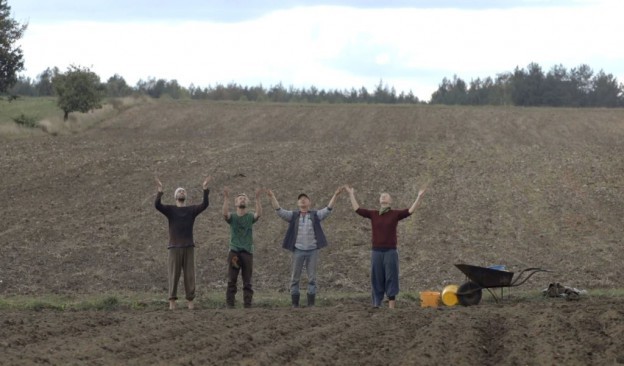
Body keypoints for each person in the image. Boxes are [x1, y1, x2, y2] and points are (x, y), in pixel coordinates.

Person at [346, 186, 426, 309]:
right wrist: (351, 194)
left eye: (386, 195)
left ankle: (391, 306)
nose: (383, 196)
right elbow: (357, 209)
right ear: (379, 200)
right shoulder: (374, 214)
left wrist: (419, 197)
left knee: (391, 277)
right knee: (376, 277)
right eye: (381, 195)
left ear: (390, 200)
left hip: (390, 251)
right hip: (376, 251)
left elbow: (410, 211)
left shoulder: (395, 214)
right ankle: (376, 304)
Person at [267, 187, 344, 308]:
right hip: (298, 250)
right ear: (298, 203)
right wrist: (272, 197)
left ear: (309, 202)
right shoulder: (293, 215)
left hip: (312, 250)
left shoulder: (315, 215)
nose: (302, 200)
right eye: (300, 199)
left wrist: (335, 195)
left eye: (305, 199)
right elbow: (279, 210)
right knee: (295, 278)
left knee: (312, 278)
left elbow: (328, 209)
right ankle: (295, 303)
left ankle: (311, 303)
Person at [155, 176, 211, 310]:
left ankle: (190, 302)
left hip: (189, 247)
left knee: (189, 275)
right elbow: (157, 205)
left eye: (183, 191)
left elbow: (204, 205)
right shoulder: (170, 210)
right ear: (175, 196)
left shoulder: (191, 210)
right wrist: (160, 191)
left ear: (185, 196)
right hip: (174, 247)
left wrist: (205, 189)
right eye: (179, 191)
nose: (182, 192)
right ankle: (172, 303)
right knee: (173, 275)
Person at [222, 187, 263, 308]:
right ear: (236, 203)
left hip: (247, 252)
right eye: (240, 198)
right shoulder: (233, 217)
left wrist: (257, 199)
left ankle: (247, 304)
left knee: (247, 280)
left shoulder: (250, 217)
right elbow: (225, 214)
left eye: (244, 198)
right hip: (234, 252)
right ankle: (230, 304)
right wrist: (226, 198)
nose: (242, 200)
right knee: (232, 279)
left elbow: (259, 214)